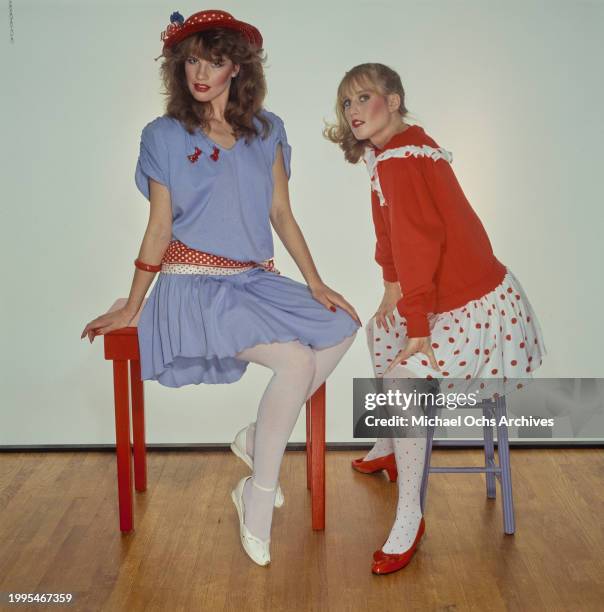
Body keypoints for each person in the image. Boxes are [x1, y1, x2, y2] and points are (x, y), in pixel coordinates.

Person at [81, 9, 360, 566]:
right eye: (190, 61)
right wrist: (132, 306)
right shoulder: (162, 136)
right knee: (297, 365)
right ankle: (256, 496)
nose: (200, 72)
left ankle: (259, 439)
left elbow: (281, 212)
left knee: (343, 323)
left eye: (214, 60)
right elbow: (160, 226)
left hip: (253, 279)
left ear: (238, 66)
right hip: (193, 288)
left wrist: (316, 282)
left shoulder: (268, 129)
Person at [324, 63, 547, 575]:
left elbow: (419, 244)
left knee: (404, 378)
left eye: (363, 99)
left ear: (394, 101)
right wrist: (391, 289)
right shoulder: (395, 151)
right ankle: (387, 442)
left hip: (475, 306)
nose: (353, 111)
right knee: (381, 330)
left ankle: (410, 515)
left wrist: (419, 326)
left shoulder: (402, 160)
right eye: (346, 104)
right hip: (448, 297)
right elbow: (390, 233)